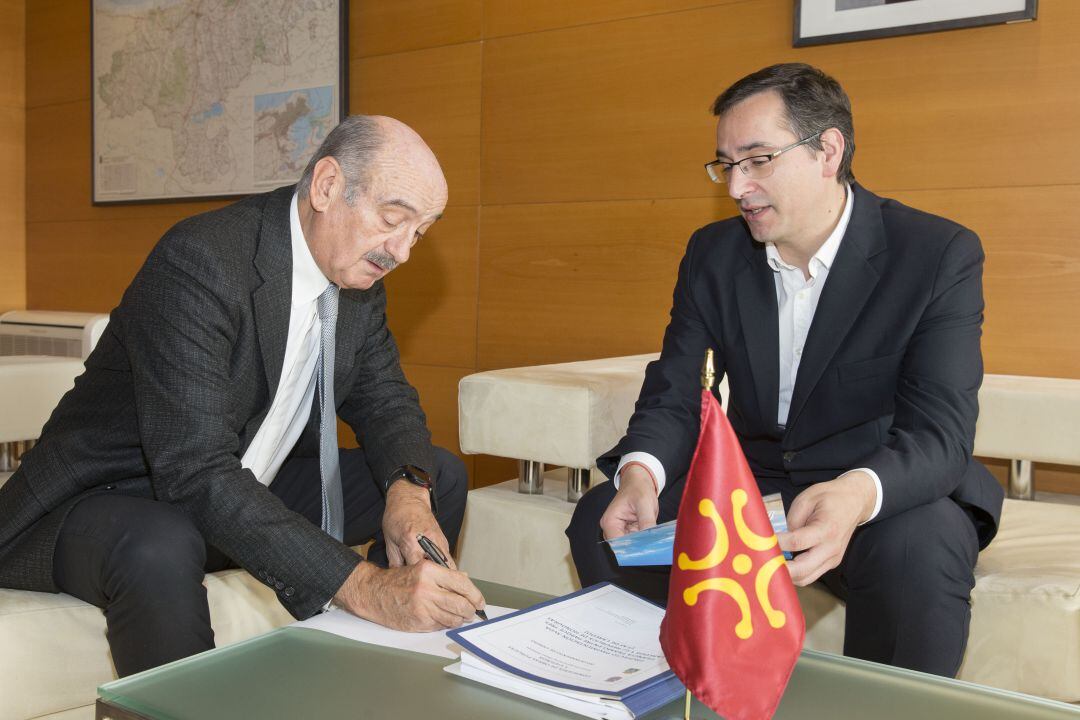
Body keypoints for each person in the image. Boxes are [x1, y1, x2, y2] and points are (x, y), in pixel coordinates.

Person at [0, 115, 486, 676]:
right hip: (113, 497)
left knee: (436, 476)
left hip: (239, 483)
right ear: (326, 186)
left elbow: (385, 401)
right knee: (160, 541)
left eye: (419, 233)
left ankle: (369, 668)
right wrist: (365, 586)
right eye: (393, 219)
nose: (401, 251)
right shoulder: (202, 261)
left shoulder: (355, 275)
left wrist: (409, 493)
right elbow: (193, 471)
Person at [566, 63, 1004, 678]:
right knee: (603, 517)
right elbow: (674, 392)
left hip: (874, 484)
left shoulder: (935, 254)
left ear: (828, 150)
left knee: (920, 547)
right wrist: (642, 474)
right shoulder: (712, 255)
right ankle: (663, 691)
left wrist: (855, 495)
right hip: (755, 484)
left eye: (758, 159)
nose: (738, 187)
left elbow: (940, 434)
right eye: (725, 165)